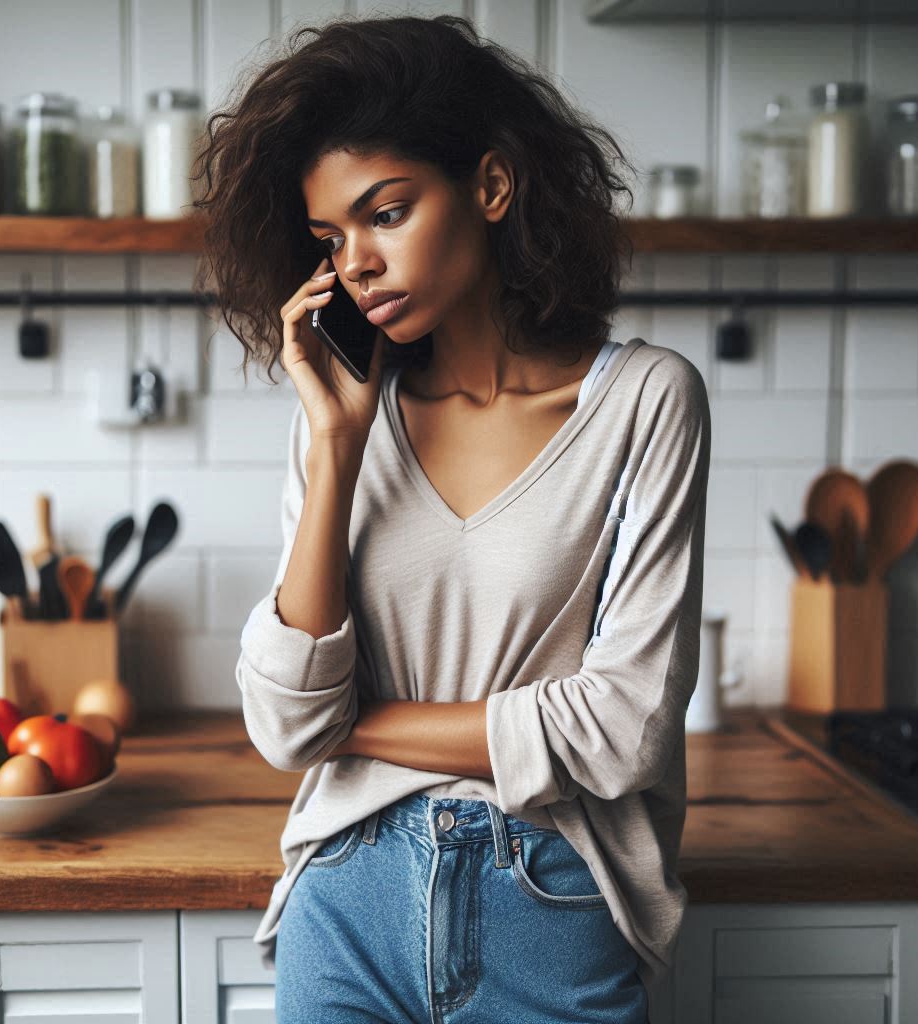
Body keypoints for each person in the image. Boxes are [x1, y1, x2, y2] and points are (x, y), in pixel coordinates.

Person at [193, 13, 710, 1024]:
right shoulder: (338, 423)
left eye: (385, 212)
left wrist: (356, 726)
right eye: (330, 239)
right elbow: (287, 721)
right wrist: (338, 447)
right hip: (348, 900)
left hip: (553, 902)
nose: (357, 263)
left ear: (489, 186)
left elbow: (623, 728)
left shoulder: (645, 401)